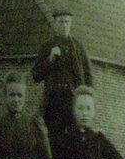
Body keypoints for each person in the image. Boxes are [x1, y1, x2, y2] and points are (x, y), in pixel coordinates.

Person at [31, 10, 93, 146]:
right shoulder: (47, 46)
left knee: (75, 138)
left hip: (73, 102)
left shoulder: (78, 47)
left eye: (67, 22)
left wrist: (87, 99)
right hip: (54, 102)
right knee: (53, 140)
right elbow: (36, 75)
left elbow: (88, 75)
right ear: (55, 24)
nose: (64, 25)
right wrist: (50, 59)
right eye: (61, 22)